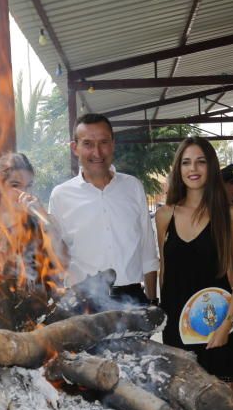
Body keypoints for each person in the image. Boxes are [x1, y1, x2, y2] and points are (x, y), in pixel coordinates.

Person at [156, 137, 233, 410]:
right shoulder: (164, 215)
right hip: (177, 329)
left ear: (211, 166)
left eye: (200, 161)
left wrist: (226, 326)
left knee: (215, 407)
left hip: (218, 328)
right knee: (182, 408)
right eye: (185, 162)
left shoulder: (230, 214)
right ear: (177, 170)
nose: (193, 169)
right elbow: (163, 272)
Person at [49, 113, 159, 305]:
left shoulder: (133, 187)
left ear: (113, 144)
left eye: (103, 142)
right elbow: (56, 259)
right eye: (88, 144)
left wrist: (152, 301)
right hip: (84, 304)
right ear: (75, 148)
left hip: (132, 300)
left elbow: (148, 251)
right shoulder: (61, 196)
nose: (97, 152)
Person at [0, 152, 62, 319]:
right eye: (15, 185)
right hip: (1, 327)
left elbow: (62, 264)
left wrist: (45, 220)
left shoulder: (40, 223)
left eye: (28, 186)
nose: (23, 193)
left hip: (43, 322)